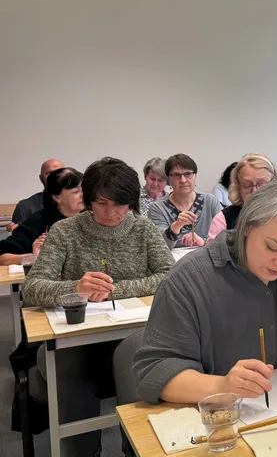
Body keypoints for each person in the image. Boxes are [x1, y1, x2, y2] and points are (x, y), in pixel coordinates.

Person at [132, 179, 277, 410]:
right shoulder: (191, 278)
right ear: (248, 226)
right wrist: (222, 386)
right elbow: (155, 370)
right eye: (272, 247)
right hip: (218, 422)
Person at [22, 157, 174, 456]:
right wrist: (76, 288)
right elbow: (32, 288)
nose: (111, 212)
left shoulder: (142, 230)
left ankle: (138, 449)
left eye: (120, 204)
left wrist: (114, 290)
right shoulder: (65, 232)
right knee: (70, 372)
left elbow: (168, 276)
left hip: (131, 333)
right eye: (102, 203)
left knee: (138, 359)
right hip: (76, 338)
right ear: (88, 199)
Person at [0, 168, 83, 266]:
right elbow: (3, 257)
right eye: (76, 191)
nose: (83, 195)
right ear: (57, 198)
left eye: (85, 189)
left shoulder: (93, 216)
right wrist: (34, 258)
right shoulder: (38, 221)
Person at [148, 154, 222, 249]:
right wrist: (176, 226)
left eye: (188, 174)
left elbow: (224, 236)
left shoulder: (210, 201)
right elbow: (159, 247)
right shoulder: (157, 208)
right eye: (176, 175)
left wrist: (203, 241)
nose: (183, 180)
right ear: (168, 180)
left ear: (195, 176)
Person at [207, 154, 277, 242]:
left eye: (262, 184)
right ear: (238, 187)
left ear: (274, 184)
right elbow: (213, 254)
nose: (255, 191)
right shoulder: (224, 218)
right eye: (247, 185)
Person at [10, 158, 65, 231]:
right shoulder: (25, 206)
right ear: (41, 178)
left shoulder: (78, 204)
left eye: (59, 173)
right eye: (49, 173)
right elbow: (20, 239)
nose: (54, 177)